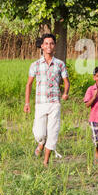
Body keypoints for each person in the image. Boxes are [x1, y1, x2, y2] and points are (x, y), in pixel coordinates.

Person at [24, 33, 70, 167]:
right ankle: (41, 142)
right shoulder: (35, 65)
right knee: (39, 133)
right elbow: (29, 84)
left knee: (53, 131)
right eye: (46, 43)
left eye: (51, 43)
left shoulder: (60, 64)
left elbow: (66, 82)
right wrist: (27, 103)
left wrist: (65, 93)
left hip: (54, 102)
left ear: (54, 46)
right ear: (42, 46)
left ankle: (46, 161)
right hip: (40, 102)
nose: (49, 46)